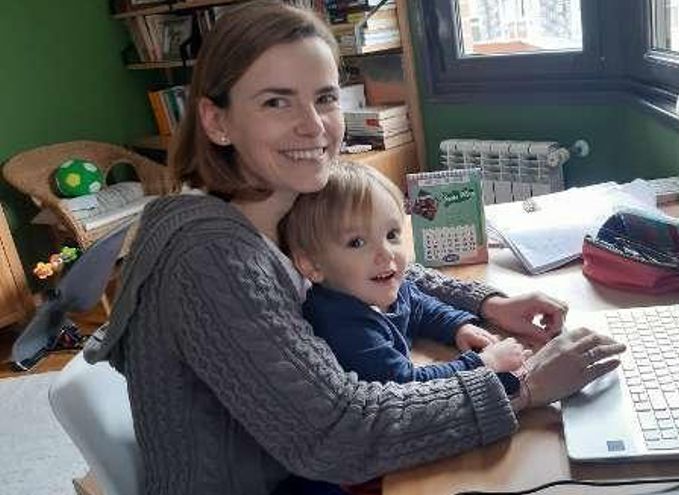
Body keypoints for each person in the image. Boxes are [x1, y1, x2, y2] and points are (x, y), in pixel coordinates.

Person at [83, 3, 626, 495]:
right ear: (216, 120)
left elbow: (367, 270)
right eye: (276, 101)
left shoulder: (278, 200)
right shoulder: (212, 262)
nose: (313, 126)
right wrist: (520, 385)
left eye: (324, 98)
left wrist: (485, 304)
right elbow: (341, 434)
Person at [287, 163, 529, 383]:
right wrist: (485, 363)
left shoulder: (379, 286)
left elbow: (418, 306)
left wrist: (456, 327)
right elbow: (405, 383)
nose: (386, 253)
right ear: (313, 266)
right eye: (357, 243)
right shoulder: (343, 327)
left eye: (391, 235)